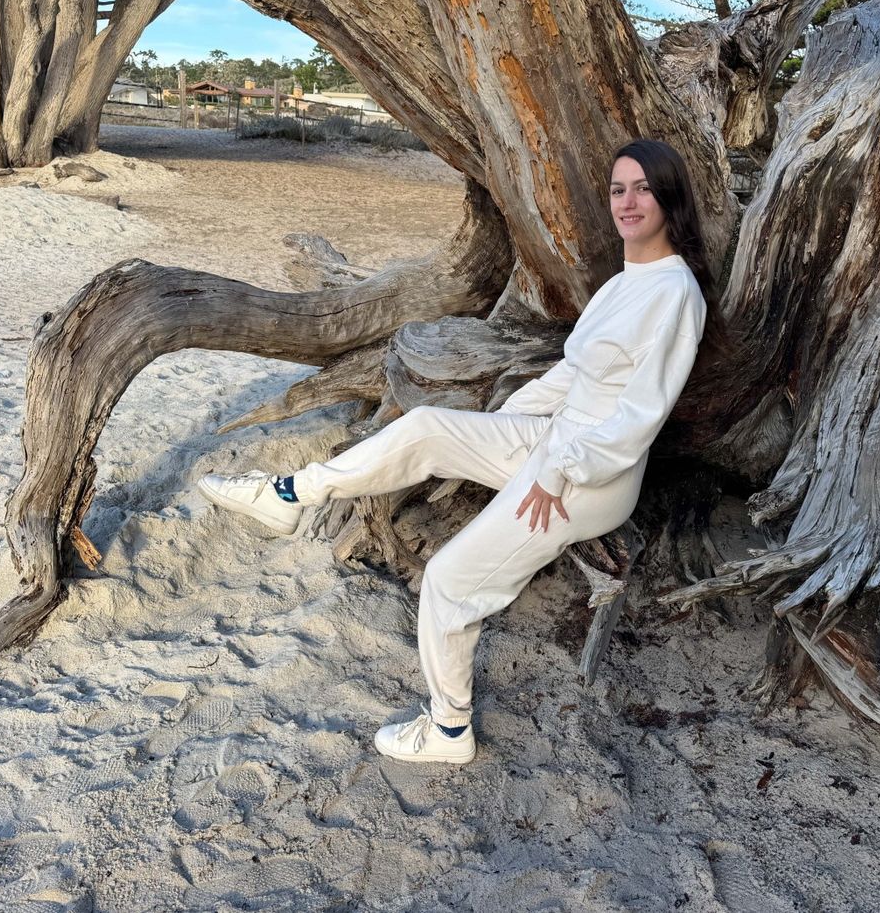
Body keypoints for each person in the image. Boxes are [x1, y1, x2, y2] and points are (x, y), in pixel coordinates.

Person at [196, 138, 710, 764]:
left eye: (643, 189)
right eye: (617, 189)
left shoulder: (675, 294)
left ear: (669, 197)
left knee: (449, 580)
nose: (627, 202)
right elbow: (573, 374)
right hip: (552, 442)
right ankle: (290, 494)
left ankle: (448, 730)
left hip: (590, 477)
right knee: (427, 428)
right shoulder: (625, 284)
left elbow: (640, 416)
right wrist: (502, 426)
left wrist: (556, 470)